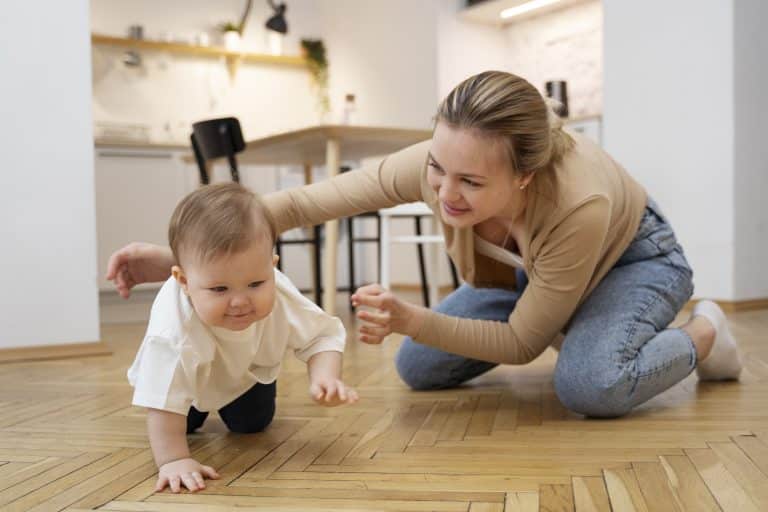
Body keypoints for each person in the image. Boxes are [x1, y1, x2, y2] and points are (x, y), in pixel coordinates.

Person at [109, 71, 741, 423]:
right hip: (532, 279)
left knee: (590, 386)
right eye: (438, 168)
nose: (444, 193)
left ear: (523, 175)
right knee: (418, 368)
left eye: (470, 182)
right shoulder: (441, 165)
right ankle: (586, 332)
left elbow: (522, 344)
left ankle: (705, 334)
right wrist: (183, 252)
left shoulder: (579, 204)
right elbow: (303, 204)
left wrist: (412, 316)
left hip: (634, 261)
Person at [126, 183, 358, 494]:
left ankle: (232, 400)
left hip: (244, 371)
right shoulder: (172, 332)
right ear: (184, 281)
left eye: (255, 283)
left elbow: (322, 335)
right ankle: (192, 415)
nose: (240, 301)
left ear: (272, 267)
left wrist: (325, 376)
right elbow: (162, 401)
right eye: (219, 289)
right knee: (181, 419)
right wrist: (173, 459)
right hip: (189, 380)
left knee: (252, 424)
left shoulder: (280, 292)